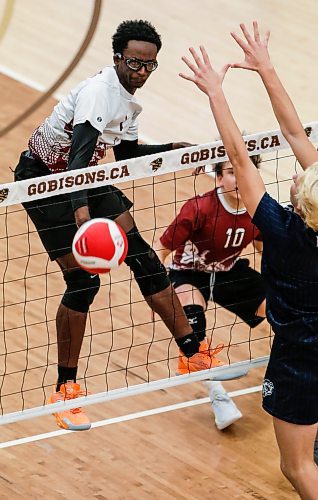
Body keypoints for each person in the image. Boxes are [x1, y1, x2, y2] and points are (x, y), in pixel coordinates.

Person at [14, 19, 229, 432]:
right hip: (43, 182)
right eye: (134, 63)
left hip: (85, 177)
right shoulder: (100, 93)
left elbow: (126, 151)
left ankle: (192, 349)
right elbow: (77, 158)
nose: (141, 72)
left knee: (145, 259)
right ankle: (65, 390)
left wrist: (171, 150)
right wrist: (81, 218)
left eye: (150, 66)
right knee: (84, 284)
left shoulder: (129, 101)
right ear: (117, 58)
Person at [179, 21, 318, 498]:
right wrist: (267, 68)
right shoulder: (293, 219)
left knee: (297, 468)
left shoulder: (281, 230)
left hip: (302, 360)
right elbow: (296, 135)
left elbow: (239, 157)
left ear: (300, 203)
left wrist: (216, 91)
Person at [156, 158, 266, 430]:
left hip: (229, 272)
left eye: (244, 172)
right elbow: (160, 249)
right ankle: (218, 396)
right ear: (219, 177)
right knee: (193, 328)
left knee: (283, 310)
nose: (239, 178)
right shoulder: (199, 207)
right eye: (231, 172)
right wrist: (157, 292)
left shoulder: (258, 207)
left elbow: (265, 249)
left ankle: (289, 371)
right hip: (189, 273)